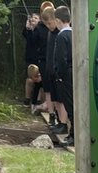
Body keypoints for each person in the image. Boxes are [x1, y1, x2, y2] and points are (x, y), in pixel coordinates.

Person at [52, 6, 74, 146]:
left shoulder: (61, 36)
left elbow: (61, 59)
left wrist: (59, 75)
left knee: (70, 105)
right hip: (75, 73)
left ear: (58, 20)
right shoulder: (74, 34)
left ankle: (73, 136)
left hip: (66, 75)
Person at [22, 11, 48, 106]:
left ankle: (39, 101)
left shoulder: (42, 30)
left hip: (40, 58)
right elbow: (28, 38)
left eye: (36, 18)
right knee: (30, 79)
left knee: (41, 81)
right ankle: (28, 99)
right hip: (31, 58)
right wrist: (28, 29)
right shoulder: (30, 30)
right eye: (32, 18)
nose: (33, 19)